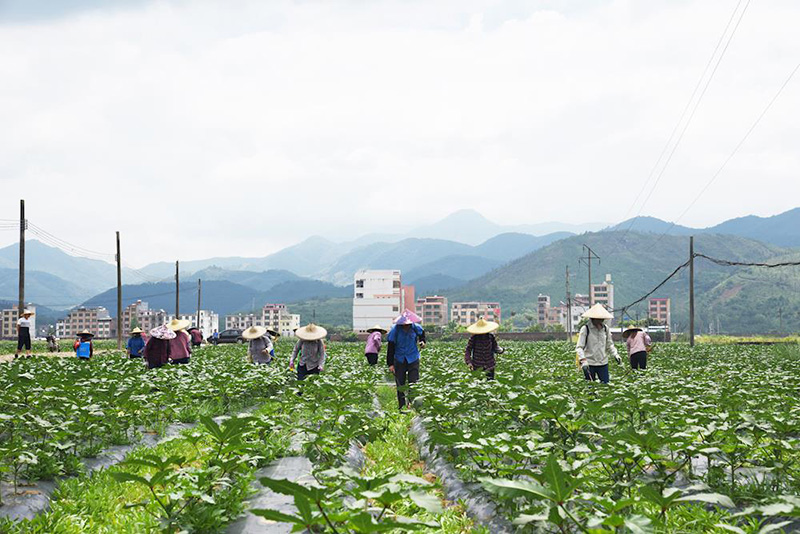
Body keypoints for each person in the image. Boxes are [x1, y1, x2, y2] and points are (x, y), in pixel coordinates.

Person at [386, 310, 425, 410]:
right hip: (399, 359)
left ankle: (412, 404)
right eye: (404, 324)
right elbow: (390, 347)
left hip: (413, 358)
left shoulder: (415, 328)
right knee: (400, 384)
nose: (406, 326)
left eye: (408, 324)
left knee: (414, 382)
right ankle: (402, 406)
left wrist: (422, 342)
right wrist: (390, 364)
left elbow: (422, 335)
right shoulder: (395, 330)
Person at [576, 304, 621, 384]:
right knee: (590, 388)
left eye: (602, 319)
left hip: (603, 362)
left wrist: (615, 354)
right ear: (593, 318)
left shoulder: (605, 329)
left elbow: (609, 345)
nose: (601, 321)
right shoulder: (585, 329)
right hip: (589, 363)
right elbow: (579, 347)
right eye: (598, 319)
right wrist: (583, 360)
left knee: (605, 385)